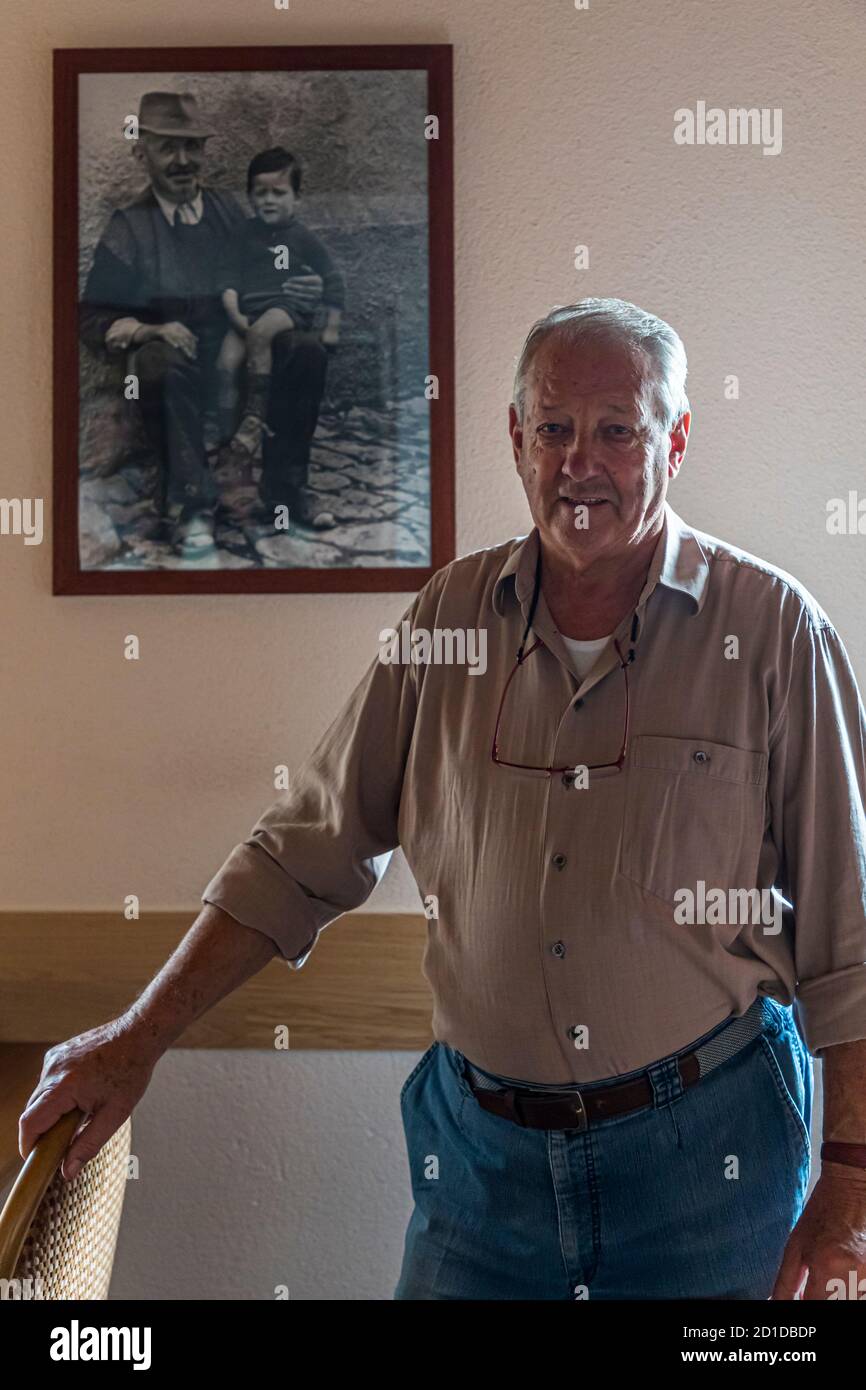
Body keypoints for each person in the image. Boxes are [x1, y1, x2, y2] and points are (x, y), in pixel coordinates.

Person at [22, 298, 866, 1300]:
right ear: (515, 438)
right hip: (480, 1176)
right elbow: (303, 852)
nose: (578, 462)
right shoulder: (448, 619)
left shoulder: (772, 630)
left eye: (616, 430)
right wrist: (136, 1036)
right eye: (551, 427)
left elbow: (845, 937)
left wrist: (849, 1178)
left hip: (708, 1168)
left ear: (674, 440)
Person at [79, 92, 337, 558]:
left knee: (306, 348)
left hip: (237, 343)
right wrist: (146, 331)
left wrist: (304, 288)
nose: (183, 161)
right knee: (157, 364)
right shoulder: (129, 227)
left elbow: (266, 268)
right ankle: (191, 505)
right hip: (176, 355)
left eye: (192, 147)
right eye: (167, 148)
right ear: (141, 153)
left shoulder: (226, 211)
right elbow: (93, 316)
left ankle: (286, 488)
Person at [216, 146, 344, 475]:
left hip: (284, 308)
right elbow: (228, 277)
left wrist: (332, 325)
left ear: (296, 198)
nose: (269, 200)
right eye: (260, 193)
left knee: (260, 336)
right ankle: (229, 434)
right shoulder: (243, 233)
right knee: (226, 363)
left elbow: (332, 279)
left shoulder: (301, 238)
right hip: (246, 312)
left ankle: (256, 418)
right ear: (249, 197)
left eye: (279, 192)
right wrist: (234, 313)